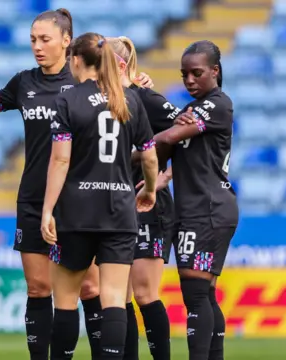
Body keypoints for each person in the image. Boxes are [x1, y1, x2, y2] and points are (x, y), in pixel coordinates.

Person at [0, 9, 153, 359]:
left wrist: (140, 84)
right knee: (38, 287)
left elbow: (123, 102)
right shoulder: (24, 83)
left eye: (45, 39)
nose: (37, 46)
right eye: (33, 40)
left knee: (90, 288)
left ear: (67, 41)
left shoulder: (83, 82)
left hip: (76, 201)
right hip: (33, 198)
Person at [41, 33, 159, 360]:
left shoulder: (67, 100)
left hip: (76, 211)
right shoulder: (129, 100)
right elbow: (150, 158)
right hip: (120, 210)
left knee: (65, 300)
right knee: (114, 298)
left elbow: (61, 159)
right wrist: (149, 190)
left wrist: (48, 209)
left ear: (75, 59)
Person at [150, 40, 238, 360]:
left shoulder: (218, 103)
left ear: (215, 71)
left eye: (196, 73)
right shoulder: (190, 110)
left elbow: (168, 138)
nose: (189, 80)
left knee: (196, 294)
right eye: (184, 74)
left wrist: (128, 158)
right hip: (196, 208)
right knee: (205, 294)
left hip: (208, 208)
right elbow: (168, 144)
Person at [106, 36, 179, 360]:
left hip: (148, 205)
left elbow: (190, 132)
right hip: (114, 205)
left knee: (145, 294)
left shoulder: (145, 97)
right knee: (118, 298)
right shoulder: (98, 100)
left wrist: (164, 176)